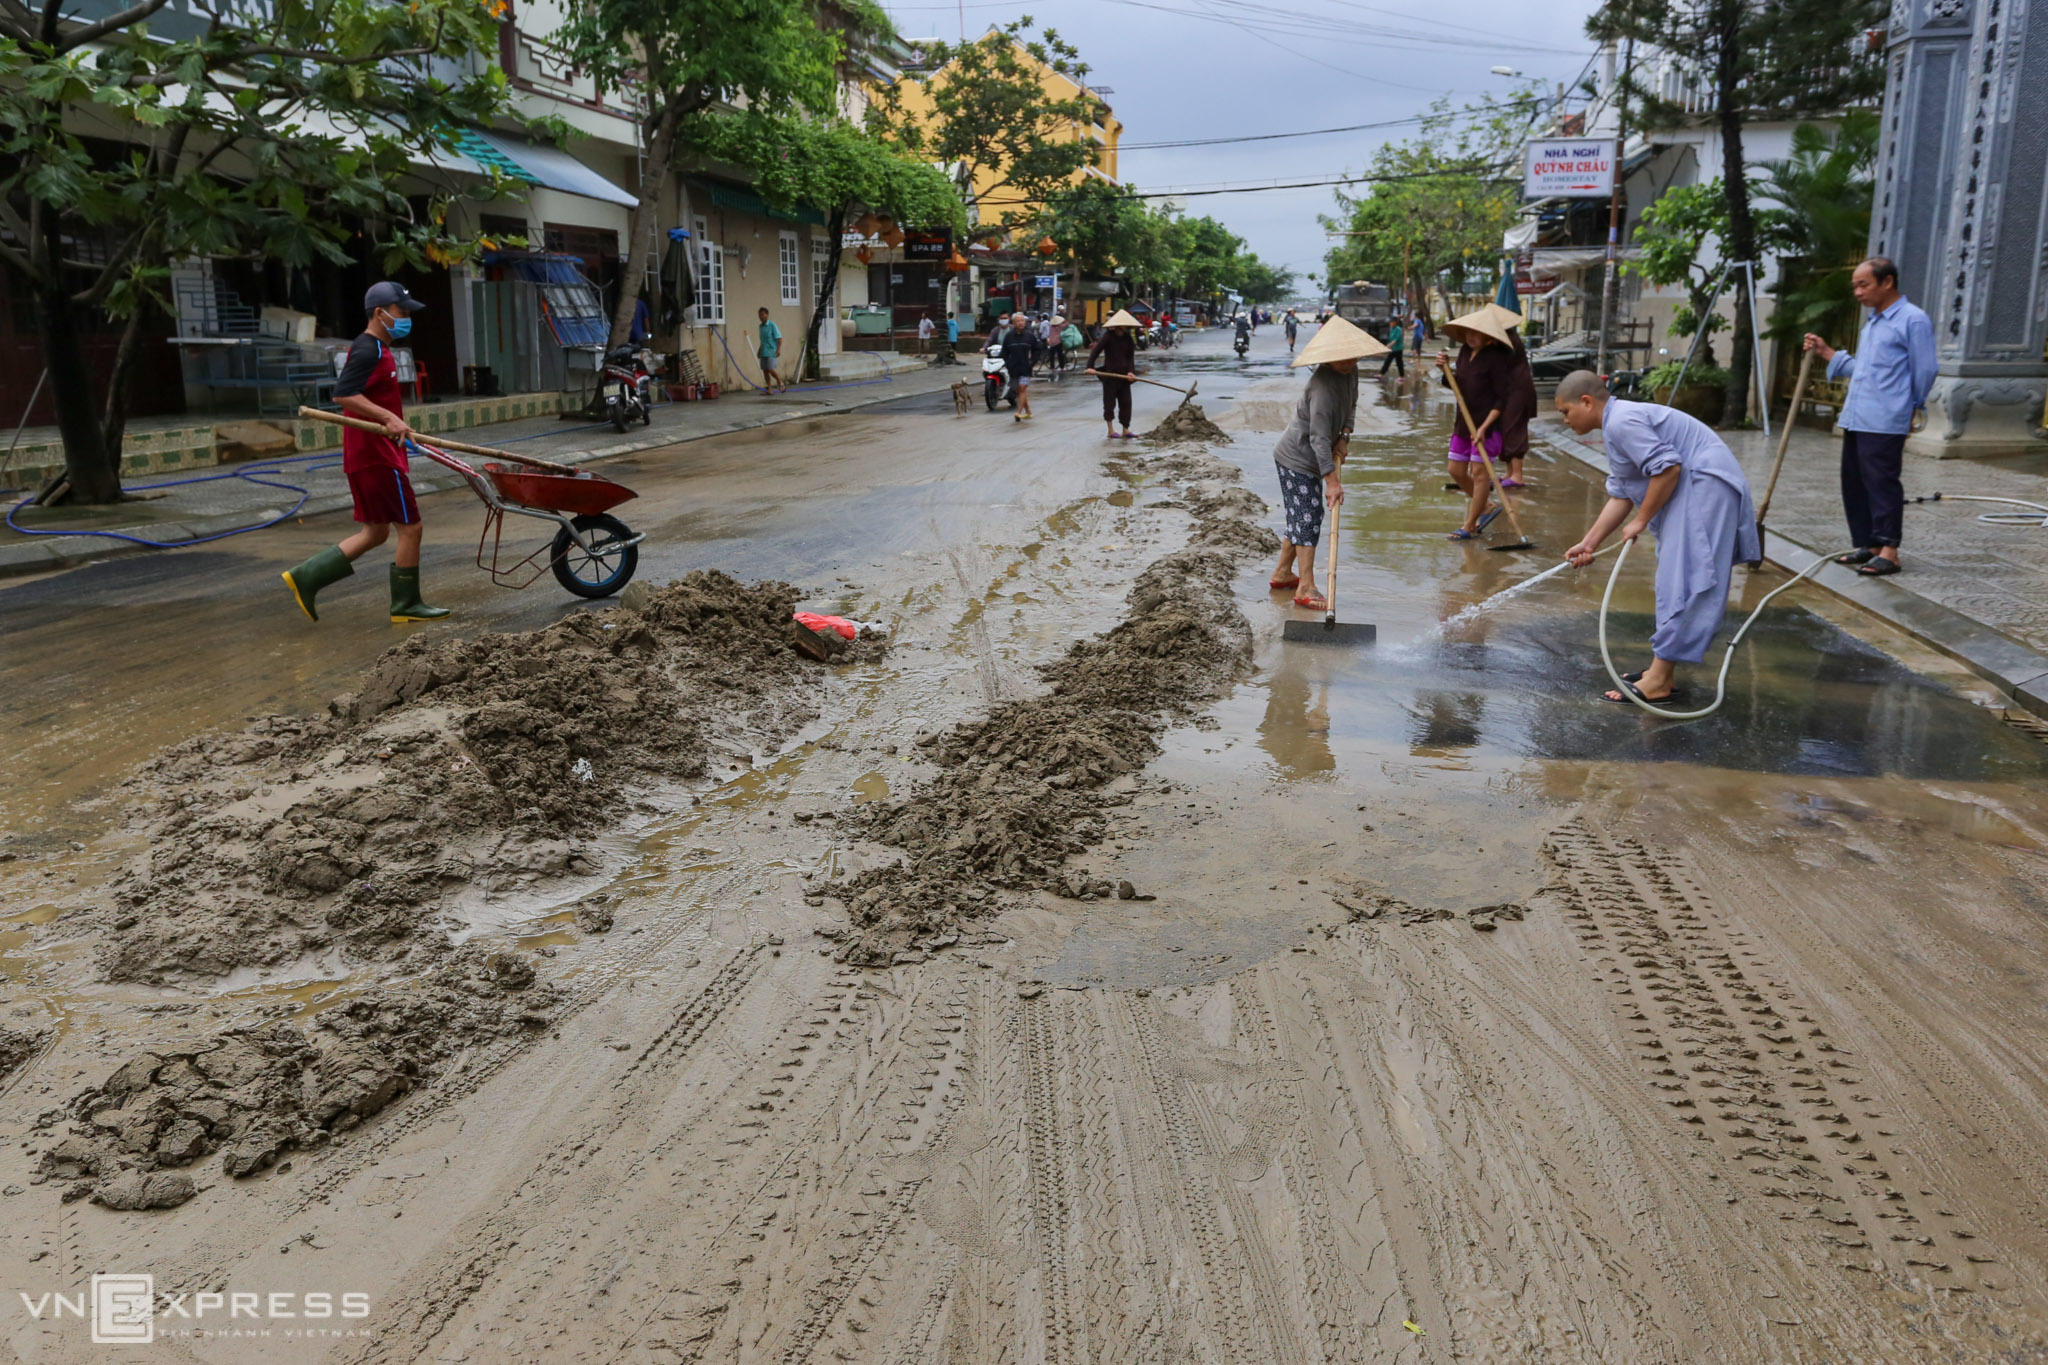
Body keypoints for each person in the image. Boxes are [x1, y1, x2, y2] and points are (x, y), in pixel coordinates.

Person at [1556, 370, 1760, 706]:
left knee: (1688, 578)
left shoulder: (1621, 421)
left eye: (1565, 411)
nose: (1564, 420)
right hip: (1696, 486)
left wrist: (1641, 520)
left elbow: (1668, 468)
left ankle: (1660, 679)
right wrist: (1589, 542)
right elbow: (1621, 493)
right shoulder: (1617, 425)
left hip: (1706, 485)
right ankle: (1659, 669)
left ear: (1587, 402)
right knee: (1672, 578)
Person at [281, 281, 450, 624]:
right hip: (376, 458)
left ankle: (305, 577)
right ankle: (406, 604)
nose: (407, 319)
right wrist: (389, 417)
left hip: (371, 456)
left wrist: (399, 425)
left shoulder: (379, 350)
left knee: (376, 532)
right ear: (380, 313)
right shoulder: (367, 348)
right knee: (411, 528)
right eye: (402, 313)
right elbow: (343, 395)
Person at [1803, 256, 1936, 577]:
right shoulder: (1875, 322)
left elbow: (1926, 368)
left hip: (1886, 417)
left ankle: (1890, 551)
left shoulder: (1912, 320)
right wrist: (1826, 352)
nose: (1857, 292)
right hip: (1857, 415)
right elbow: (1864, 369)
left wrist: (1911, 406)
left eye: (1863, 285)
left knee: (1881, 482)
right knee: (1856, 482)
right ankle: (1869, 544)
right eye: (1855, 286)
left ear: (1887, 282)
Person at [1270, 316, 1386, 610]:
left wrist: (1345, 436)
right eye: (1341, 359)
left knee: (1302, 515)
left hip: (1315, 455)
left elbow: (1351, 406)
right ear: (1328, 357)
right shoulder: (1321, 386)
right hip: (1296, 458)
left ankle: (1283, 573)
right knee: (1308, 517)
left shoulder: (1352, 371)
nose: (1348, 363)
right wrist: (1332, 482)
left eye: (1352, 356)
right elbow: (1319, 440)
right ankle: (1305, 588)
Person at [1436, 308, 1515, 540]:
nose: (1470, 337)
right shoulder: (1464, 352)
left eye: (1476, 334)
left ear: (1488, 336)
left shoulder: (1496, 358)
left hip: (1488, 426)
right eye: (1468, 333)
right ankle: (1487, 506)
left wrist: (1484, 427)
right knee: (1455, 470)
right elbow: (1459, 385)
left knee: (1480, 474)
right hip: (1464, 422)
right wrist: (1445, 371)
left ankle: (1469, 525)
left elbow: (1502, 399)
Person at [1487, 304, 1538, 488]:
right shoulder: (1505, 338)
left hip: (1518, 389)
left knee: (1513, 428)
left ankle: (1517, 475)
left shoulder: (1507, 340)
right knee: (1506, 429)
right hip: (1512, 389)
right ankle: (1510, 473)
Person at [1088, 308, 1143, 439]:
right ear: (1119, 325)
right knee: (1109, 403)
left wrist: (1131, 372)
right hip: (1110, 375)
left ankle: (1125, 429)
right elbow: (1095, 352)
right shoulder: (1108, 337)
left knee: (1126, 403)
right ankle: (1111, 430)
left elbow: (1130, 358)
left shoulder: (1129, 339)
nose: (1127, 327)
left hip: (1124, 376)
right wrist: (1090, 367)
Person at [998, 311, 1044, 422]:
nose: (1021, 323)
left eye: (1023, 320)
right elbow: (1004, 352)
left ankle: (1018, 413)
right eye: (1018, 321)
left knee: (1022, 388)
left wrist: (1032, 362)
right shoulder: (1009, 337)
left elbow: (1037, 349)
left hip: (1025, 367)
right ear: (1013, 323)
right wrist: (1008, 364)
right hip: (1013, 368)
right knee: (1018, 390)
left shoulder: (1029, 336)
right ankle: (1028, 411)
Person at [756, 307, 785, 394]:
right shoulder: (760, 327)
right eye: (759, 315)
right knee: (765, 370)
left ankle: (780, 382)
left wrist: (778, 349)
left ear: (767, 315)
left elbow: (779, 338)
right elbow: (762, 340)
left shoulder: (772, 325)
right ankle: (770, 389)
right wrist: (759, 350)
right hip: (764, 351)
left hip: (772, 350)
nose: (761, 316)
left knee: (770, 369)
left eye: (762, 314)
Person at [1379, 312, 1405, 378]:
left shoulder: (1398, 329)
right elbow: (1390, 338)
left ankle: (1401, 376)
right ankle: (1381, 374)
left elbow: (1395, 340)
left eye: (1392, 322)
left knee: (1399, 363)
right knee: (1387, 361)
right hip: (1393, 349)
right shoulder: (1392, 329)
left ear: (1395, 322)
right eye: (1390, 322)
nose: (1390, 323)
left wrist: (1389, 346)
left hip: (1398, 349)